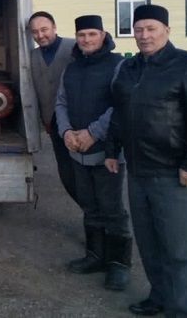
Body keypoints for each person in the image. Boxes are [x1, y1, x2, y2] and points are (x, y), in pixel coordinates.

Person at [105, 4, 187, 317]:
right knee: (150, 244)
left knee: (179, 250)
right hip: (138, 170)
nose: (144, 35)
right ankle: (161, 297)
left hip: (173, 172)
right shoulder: (128, 69)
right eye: (139, 29)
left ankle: (183, 310)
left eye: (151, 28)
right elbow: (120, 112)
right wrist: (112, 150)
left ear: (167, 30)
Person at [55, 15, 132, 291]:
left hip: (107, 152)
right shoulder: (72, 68)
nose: (86, 40)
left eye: (92, 34)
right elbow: (61, 102)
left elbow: (121, 106)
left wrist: (92, 133)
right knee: (89, 205)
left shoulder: (118, 65)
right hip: (77, 150)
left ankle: (119, 265)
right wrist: (66, 132)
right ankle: (95, 256)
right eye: (81, 35)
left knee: (112, 209)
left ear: (103, 35)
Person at [28, 11, 78, 205]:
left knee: (87, 174)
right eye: (35, 32)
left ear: (54, 28)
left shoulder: (74, 47)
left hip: (77, 123)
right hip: (53, 125)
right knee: (67, 175)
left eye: (44, 29)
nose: (40, 35)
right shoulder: (33, 56)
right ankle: (90, 213)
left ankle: (99, 221)